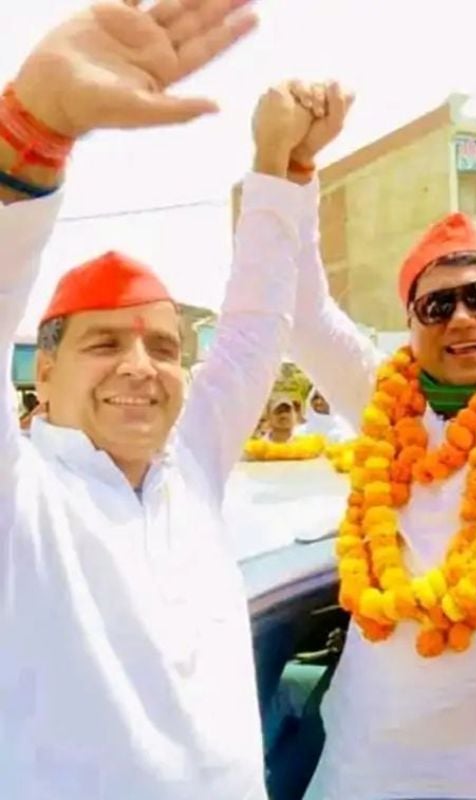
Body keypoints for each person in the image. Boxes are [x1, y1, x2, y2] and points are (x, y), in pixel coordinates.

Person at [0, 4, 320, 798]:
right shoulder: (23, 496)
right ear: (45, 372)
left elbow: (252, 332)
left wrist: (279, 170)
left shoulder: (194, 471)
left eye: (165, 347)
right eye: (105, 344)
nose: (141, 367)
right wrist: (29, 136)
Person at [262, 81, 476, 800]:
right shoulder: (386, 403)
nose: (460, 320)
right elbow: (300, 311)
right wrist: (293, 172)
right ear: (412, 326)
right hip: (369, 761)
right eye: (436, 304)